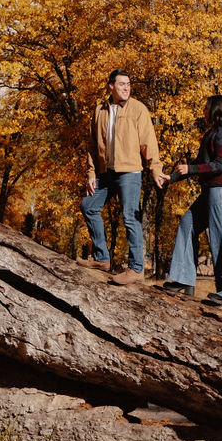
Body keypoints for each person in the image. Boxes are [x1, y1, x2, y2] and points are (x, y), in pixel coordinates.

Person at [80, 69, 166, 285]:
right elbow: (92, 143)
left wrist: (155, 169)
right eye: (122, 84)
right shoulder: (100, 109)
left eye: (128, 84)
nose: (126, 88)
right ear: (111, 86)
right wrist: (91, 172)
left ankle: (136, 268)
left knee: (130, 217)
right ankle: (101, 258)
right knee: (88, 206)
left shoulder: (138, 109)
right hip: (105, 172)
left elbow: (149, 142)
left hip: (130, 172)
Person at [161, 93, 222, 307]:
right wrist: (173, 177)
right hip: (210, 192)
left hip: (221, 191)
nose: (203, 111)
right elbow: (200, 163)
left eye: (206, 107)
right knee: (187, 224)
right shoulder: (212, 134)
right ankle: (182, 278)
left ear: (214, 110)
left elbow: (219, 165)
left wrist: (192, 168)